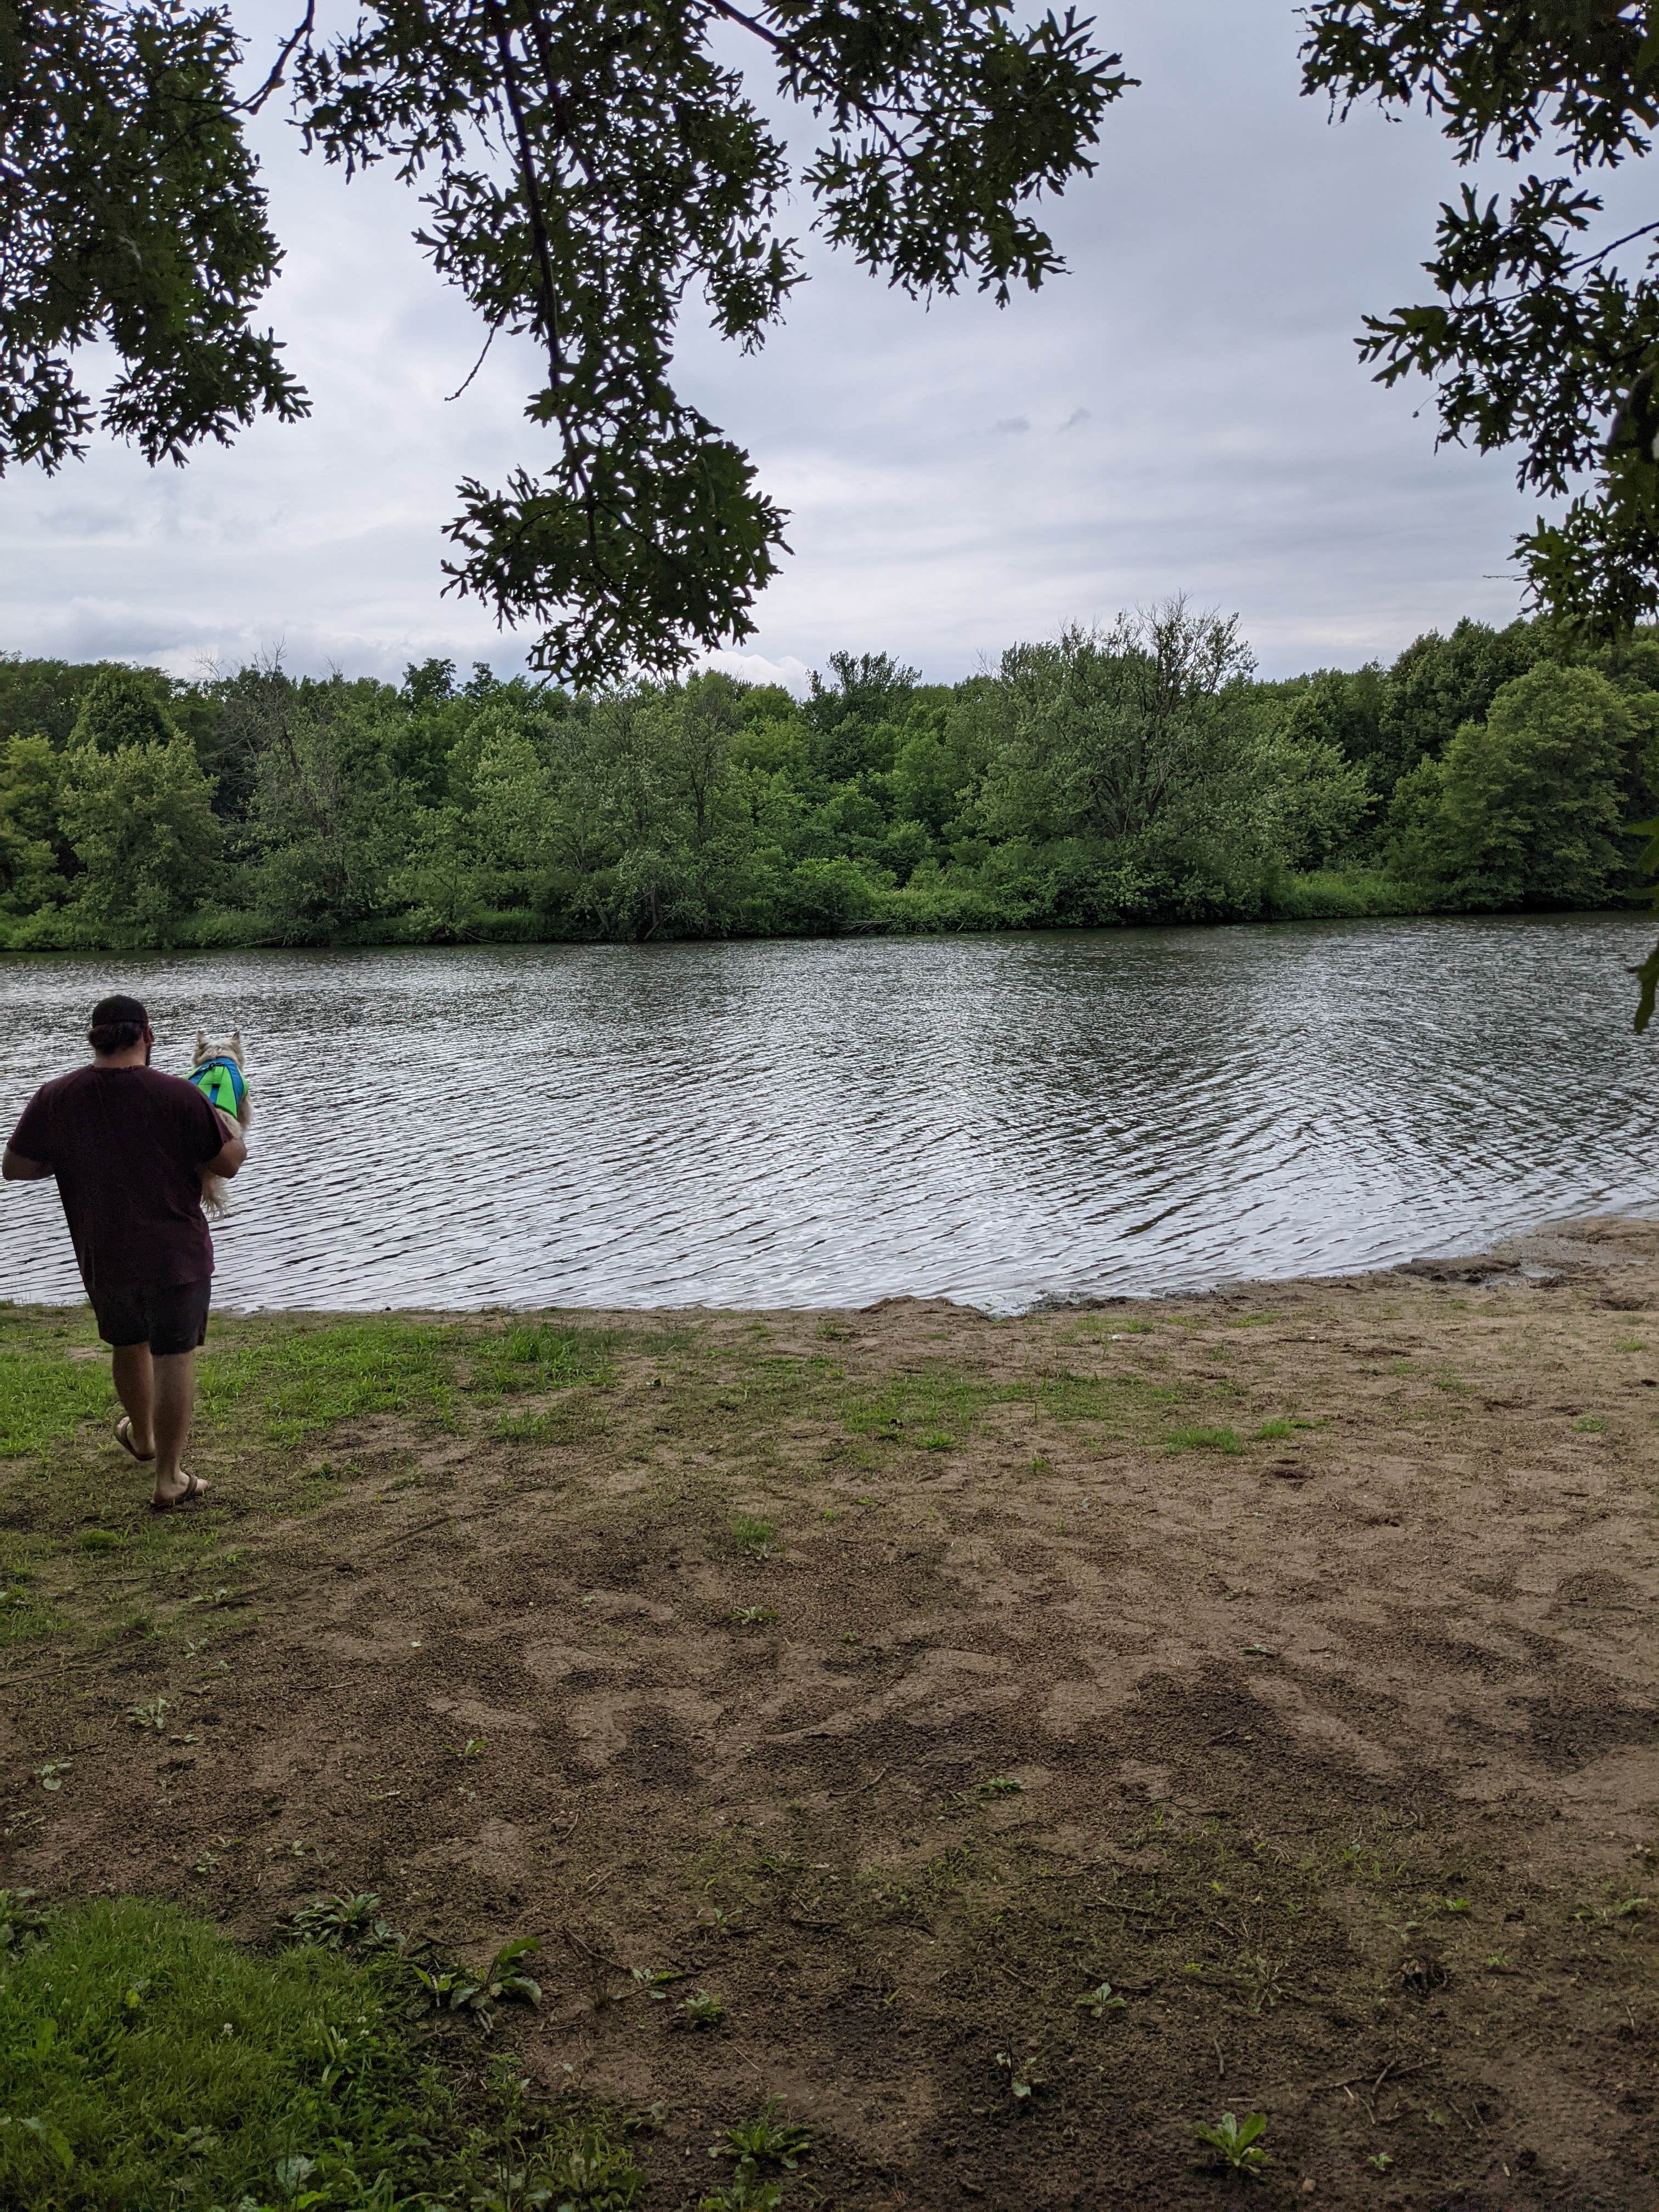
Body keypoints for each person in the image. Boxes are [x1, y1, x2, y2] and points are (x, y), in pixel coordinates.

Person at [3, 994, 247, 1510]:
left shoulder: (56, 1096)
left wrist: (74, 1154)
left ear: (94, 1038)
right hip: (175, 1252)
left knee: (128, 1343)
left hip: (103, 1250)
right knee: (174, 1355)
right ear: (149, 1037)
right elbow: (228, 1165)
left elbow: (16, 1166)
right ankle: (169, 1479)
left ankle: (142, 1437)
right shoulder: (180, 1096)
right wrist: (229, 1127)